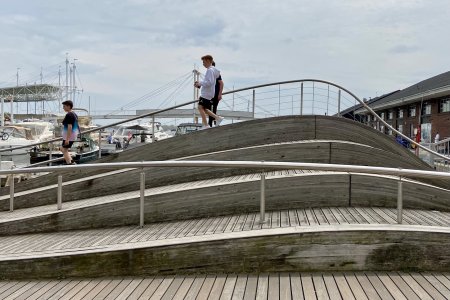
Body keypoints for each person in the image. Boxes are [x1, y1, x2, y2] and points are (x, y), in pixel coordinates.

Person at [194, 55, 224, 129]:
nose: (203, 64)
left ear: (208, 61)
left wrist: (199, 83)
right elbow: (209, 81)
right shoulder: (213, 70)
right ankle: (218, 118)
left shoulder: (209, 70)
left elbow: (209, 82)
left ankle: (206, 125)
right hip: (210, 93)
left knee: (200, 107)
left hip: (206, 93)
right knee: (205, 109)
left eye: (204, 62)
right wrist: (200, 82)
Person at [60, 100, 80, 165]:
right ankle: (71, 162)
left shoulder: (69, 114)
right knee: (64, 149)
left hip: (69, 136)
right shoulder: (74, 114)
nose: (63, 108)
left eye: (64, 106)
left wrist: (67, 139)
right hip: (71, 135)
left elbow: (70, 127)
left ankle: (70, 164)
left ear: (69, 106)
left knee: (63, 149)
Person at [208, 61, 224, 127]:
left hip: (215, 94)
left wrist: (220, 94)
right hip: (211, 94)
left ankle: (212, 124)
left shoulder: (216, 74)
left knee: (213, 109)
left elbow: (221, 83)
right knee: (209, 108)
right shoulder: (210, 73)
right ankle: (211, 123)